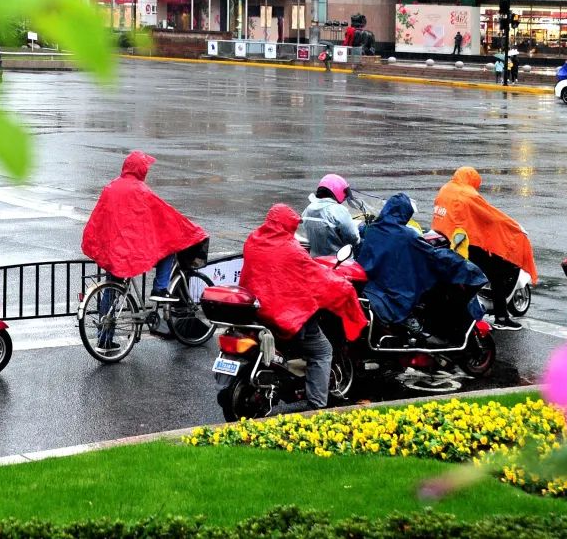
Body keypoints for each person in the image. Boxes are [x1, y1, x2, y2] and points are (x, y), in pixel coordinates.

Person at [239, 204, 367, 409]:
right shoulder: (291, 249)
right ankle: (317, 405)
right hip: (285, 317)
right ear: (287, 225)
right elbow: (316, 277)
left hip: (258, 311)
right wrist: (344, 287)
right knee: (323, 351)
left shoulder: (253, 240)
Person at [355, 194, 488, 341]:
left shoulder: (372, 230)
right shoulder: (408, 235)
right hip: (394, 293)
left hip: (371, 288)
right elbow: (432, 255)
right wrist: (460, 264)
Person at [82, 151, 208, 302]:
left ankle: (105, 324)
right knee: (168, 251)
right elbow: (165, 213)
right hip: (131, 250)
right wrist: (191, 229)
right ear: (141, 169)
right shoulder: (141, 190)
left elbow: (99, 217)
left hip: (113, 248)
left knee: (111, 287)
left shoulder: (111, 187)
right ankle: (160, 289)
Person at [432, 167, 537, 331]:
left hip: (445, 240)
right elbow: (490, 215)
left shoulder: (445, 189)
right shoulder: (468, 194)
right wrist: (513, 227)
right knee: (497, 274)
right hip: (463, 245)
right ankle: (501, 317)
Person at [301, 174, 360, 257]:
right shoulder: (338, 210)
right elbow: (354, 238)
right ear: (338, 190)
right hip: (339, 262)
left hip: (314, 260)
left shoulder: (308, 209)